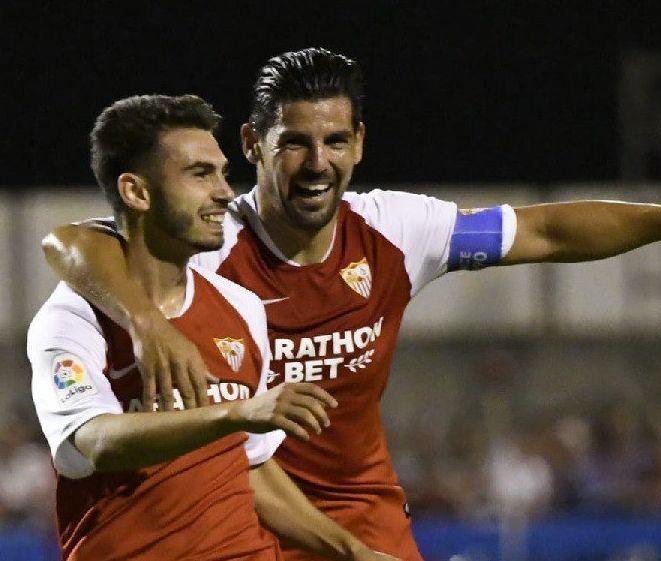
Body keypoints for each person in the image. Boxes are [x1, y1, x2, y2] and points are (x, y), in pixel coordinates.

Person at [42, 48, 661, 561]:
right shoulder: (209, 240)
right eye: (293, 142)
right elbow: (71, 241)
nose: (317, 162)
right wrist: (143, 320)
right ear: (254, 146)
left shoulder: (396, 230)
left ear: (359, 143)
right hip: (249, 518)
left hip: (360, 513)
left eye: (334, 140)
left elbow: (544, 230)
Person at [29, 93, 399, 561]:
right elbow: (95, 442)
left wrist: (353, 551)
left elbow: (252, 464)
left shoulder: (240, 306)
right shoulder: (73, 317)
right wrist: (237, 413)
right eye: (200, 174)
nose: (225, 192)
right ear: (136, 192)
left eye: (223, 173)